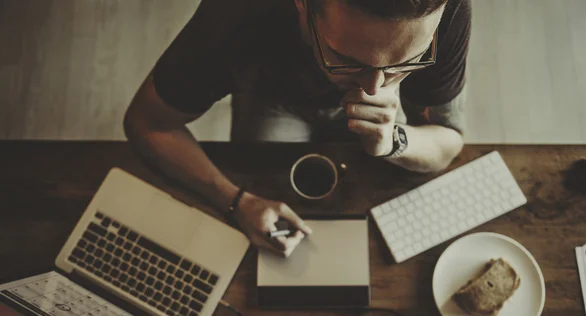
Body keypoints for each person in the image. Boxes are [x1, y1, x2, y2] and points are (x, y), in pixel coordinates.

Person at [124, 0, 471, 257]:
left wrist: (395, 139)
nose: (372, 90)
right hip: (273, 100)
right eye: (347, 61)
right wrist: (235, 201)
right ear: (302, 5)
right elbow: (147, 124)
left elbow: (449, 140)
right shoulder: (233, 15)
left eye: (407, 62)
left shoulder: (447, 10)